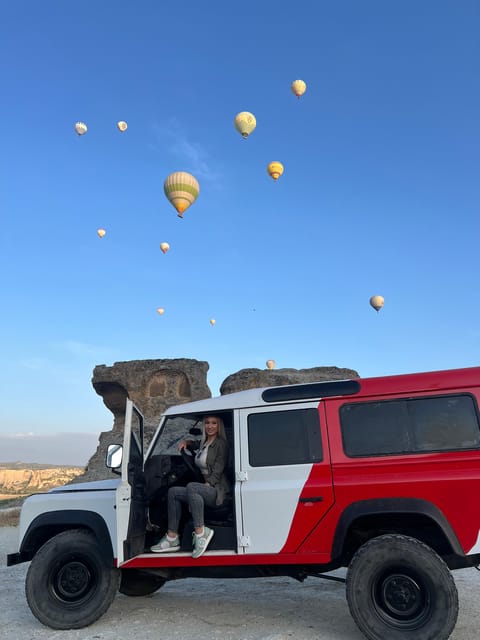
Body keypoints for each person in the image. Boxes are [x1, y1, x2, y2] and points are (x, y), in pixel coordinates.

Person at [151, 415, 229, 559]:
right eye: (207, 423)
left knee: (192, 487)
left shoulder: (221, 444)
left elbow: (218, 470)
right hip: (204, 488)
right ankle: (172, 537)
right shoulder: (204, 442)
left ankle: (201, 533)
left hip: (217, 490)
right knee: (173, 492)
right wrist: (186, 442)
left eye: (214, 423)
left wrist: (205, 485)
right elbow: (196, 444)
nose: (210, 426)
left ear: (219, 426)